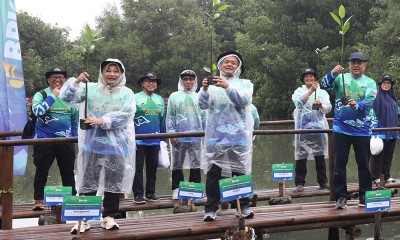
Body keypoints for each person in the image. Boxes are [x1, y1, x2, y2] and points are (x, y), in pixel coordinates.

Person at [59, 59, 136, 232]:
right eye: (108, 70)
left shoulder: (127, 93)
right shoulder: (89, 88)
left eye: (116, 71)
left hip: (117, 147)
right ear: (101, 72)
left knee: (113, 184)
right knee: (88, 183)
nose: (112, 74)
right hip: (91, 145)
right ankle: (83, 219)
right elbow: (65, 98)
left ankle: (108, 216)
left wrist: (103, 121)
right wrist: (76, 81)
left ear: (121, 74)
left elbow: (127, 114)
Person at [199, 51, 254, 221]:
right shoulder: (211, 85)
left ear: (238, 67)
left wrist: (227, 87)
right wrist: (205, 89)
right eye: (226, 62)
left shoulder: (245, 83)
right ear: (220, 66)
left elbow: (243, 101)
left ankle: (243, 207)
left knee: (241, 172)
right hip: (216, 136)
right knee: (214, 173)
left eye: (233, 63)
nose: (229, 65)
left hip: (238, 135)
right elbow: (202, 105)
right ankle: (211, 209)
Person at [321, 52, 377, 209]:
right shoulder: (341, 78)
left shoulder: (370, 82)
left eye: (359, 62)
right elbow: (324, 85)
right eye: (353, 62)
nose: (356, 65)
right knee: (339, 164)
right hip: (341, 129)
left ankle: (364, 195)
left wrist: (357, 105)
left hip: (362, 130)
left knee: (364, 165)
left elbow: (370, 99)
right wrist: (332, 73)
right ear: (349, 65)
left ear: (364, 65)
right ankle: (341, 197)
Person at [31, 68, 78, 211]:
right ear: (48, 80)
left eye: (61, 77)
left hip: (65, 141)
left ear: (65, 80)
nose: (57, 79)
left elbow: (74, 119)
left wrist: (74, 137)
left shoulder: (70, 97)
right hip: (44, 141)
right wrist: (52, 96)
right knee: (41, 171)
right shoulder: (41, 94)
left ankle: (72, 199)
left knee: (68, 171)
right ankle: (39, 200)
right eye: (54, 77)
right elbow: (37, 111)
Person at [166, 70, 206, 199]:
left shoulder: (199, 96)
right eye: (185, 79)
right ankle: (177, 188)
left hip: (196, 136)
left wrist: (205, 134)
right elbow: (170, 116)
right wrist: (171, 133)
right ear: (181, 81)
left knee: (196, 163)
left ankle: (195, 188)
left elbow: (204, 117)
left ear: (194, 81)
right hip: (179, 135)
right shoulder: (174, 96)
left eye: (191, 79)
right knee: (177, 163)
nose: (188, 82)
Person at [292, 68, 331, 192]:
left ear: (315, 78)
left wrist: (321, 105)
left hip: (319, 129)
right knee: (301, 156)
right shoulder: (299, 91)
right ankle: (299, 183)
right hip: (302, 129)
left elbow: (328, 108)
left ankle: (323, 182)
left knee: (320, 156)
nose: (309, 78)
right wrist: (310, 91)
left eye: (311, 76)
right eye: (306, 76)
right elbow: (298, 103)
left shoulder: (323, 93)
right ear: (303, 79)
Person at [132, 72, 166, 204]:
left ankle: (150, 192)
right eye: (148, 81)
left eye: (154, 81)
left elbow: (162, 120)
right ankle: (138, 194)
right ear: (142, 83)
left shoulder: (159, 99)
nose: (151, 83)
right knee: (138, 168)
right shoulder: (134, 98)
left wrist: (163, 139)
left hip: (155, 139)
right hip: (138, 140)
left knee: (152, 167)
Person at [371, 74, 399, 183]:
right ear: (380, 84)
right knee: (378, 155)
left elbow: (397, 112)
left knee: (389, 155)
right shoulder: (376, 96)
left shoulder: (393, 98)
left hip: (392, 131)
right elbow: (371, 111)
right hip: (379, 131)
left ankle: (387, 176)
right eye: (384, 83)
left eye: (388, 83)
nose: (386, 85)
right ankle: (376, 176)